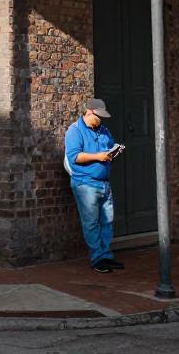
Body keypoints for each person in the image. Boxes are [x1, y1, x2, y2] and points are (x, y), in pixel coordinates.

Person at [64, 99, 123, 273]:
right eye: (98, 117)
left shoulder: (104, 130)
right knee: (91, 223)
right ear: (89, 112)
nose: (100, 121)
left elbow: (109, 147)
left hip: (104, 183)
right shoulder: (74, 131)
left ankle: (106, 255)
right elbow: (75, 156)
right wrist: (98, 157)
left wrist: (114, 151)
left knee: (108, 221)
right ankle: (97, 258)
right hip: (85, 183)